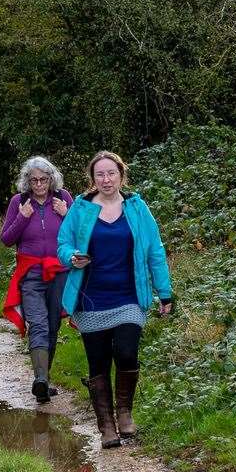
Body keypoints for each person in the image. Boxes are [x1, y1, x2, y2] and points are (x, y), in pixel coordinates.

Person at [56, 151, 173, 449]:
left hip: (129, 296)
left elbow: (155, 252)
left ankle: (124, 413)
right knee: (98, 363)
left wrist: (164, 291)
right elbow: (63, 243)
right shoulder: (81, 208)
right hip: (91, 298)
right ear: (92, 179)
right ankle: (106, 425)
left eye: (111, 173)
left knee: (126, 352)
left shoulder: (137, 207)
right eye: (100, 175)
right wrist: (71, 257)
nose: (106, 179)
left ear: (121, 174)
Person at [0, 156, 73, 404]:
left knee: (52, 326)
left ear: (52, 179)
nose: (39, 185)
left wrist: (67, 213)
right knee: (39, 324)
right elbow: (7, 239)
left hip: (59, 272)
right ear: (27, 182)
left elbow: (82, 233)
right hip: (30, 273)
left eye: (43, 179)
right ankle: (40, 379)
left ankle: (45, 381)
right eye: (34, 180)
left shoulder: (63, 198)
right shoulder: (18, 202)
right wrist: (22, 217)